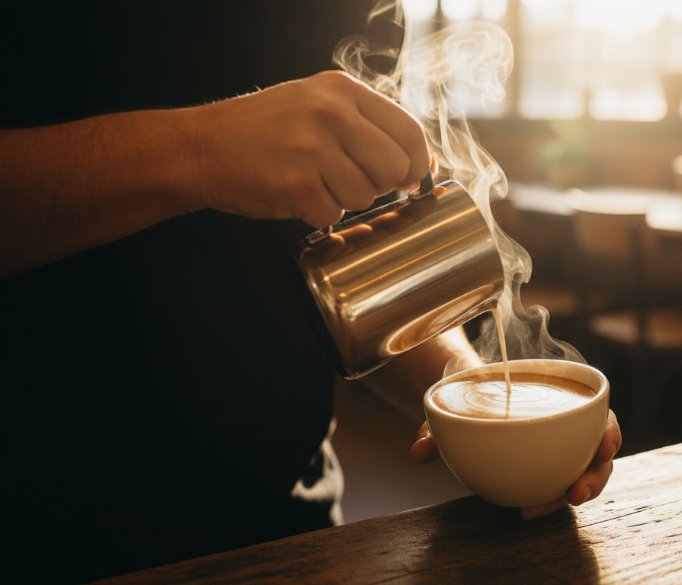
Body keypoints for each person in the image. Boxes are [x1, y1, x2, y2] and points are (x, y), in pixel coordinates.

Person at [0, 1, 620, 582]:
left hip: (294, 520)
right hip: (46, 530)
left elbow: (365, 266)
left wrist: (465, 391)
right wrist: (201, 150)